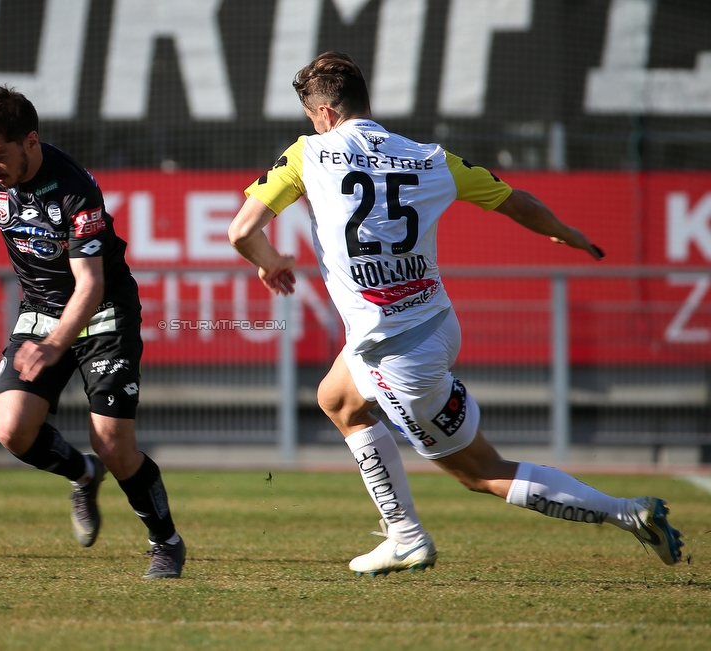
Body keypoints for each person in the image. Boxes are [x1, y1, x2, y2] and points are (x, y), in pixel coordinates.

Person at [228, 51, 683, 576]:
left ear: (325, 114)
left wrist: (271, 263)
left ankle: (630, 514)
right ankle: (404, 534)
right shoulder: (428, 157)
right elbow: (516, 201)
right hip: (436, 323)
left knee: (481, 471)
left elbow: (242, 231)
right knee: (336, 397)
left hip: (395, 352)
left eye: (312, 117)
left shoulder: (309, 154)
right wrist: (563, 231)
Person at [0, 86, 185, 579]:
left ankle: (166, 542)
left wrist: (53, 345)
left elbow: (90, 286)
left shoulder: (74, 189)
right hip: (42, 309)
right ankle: (83, 474)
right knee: (12, 428)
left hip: (105, 311)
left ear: (30, 141)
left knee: (113, 443)